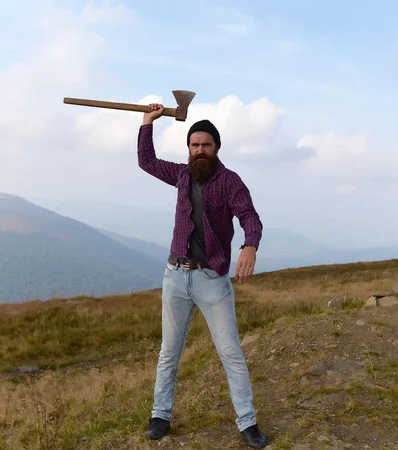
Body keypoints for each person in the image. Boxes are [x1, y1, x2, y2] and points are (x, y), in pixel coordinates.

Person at [137, 103, 269, 449]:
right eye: (194, 145)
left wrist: (250, 245)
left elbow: (249, 216)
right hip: (175, 276)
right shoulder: (181, 175)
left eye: (206, 145)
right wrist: (147, 122)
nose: (200, 150)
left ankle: (248, 423)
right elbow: (146, 162)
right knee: (169, 352)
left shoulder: (230, 182)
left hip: (212, 280)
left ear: (216, 148)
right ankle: (160, 416)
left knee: (231, 353)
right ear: (189, 149)